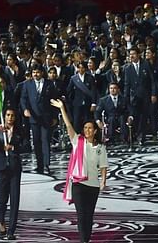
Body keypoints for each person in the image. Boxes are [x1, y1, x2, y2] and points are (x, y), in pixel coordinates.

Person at [50, 99, 108, 243]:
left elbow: (103, 166)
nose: (87, 130)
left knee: (89, 216)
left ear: (95, 131)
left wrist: (103, 181)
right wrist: (62, 108)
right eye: (85, 128)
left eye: (90, 128)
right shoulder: (78, 141)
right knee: (81, 215)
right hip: (79, 184)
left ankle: (86, 239)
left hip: (93, 186)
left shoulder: (101, 147)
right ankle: (83, 240)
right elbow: (69, 125)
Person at [0, 109, 25, 240]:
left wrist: (13, 147)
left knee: (15, 200)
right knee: (1, 200)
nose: (10, 118)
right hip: (0, 168)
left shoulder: (19, 130)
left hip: (15, 169)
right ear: (4, 116)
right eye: (8, 115)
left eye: (12, 115)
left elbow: (26, 145)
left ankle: (11, 231)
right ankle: (1, 221)